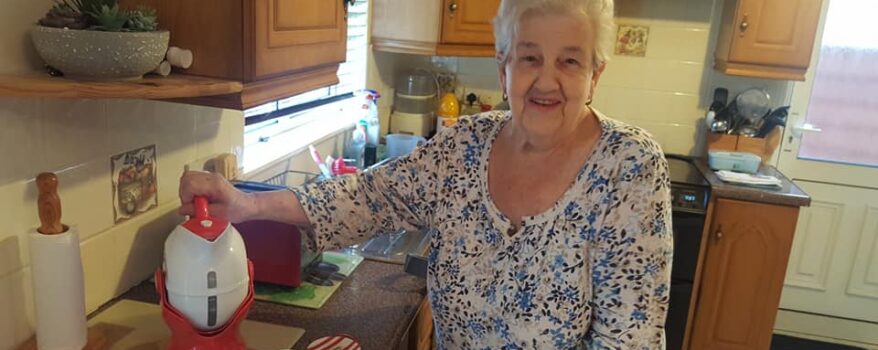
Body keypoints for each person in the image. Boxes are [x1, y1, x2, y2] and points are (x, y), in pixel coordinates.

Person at [179, 0, 672, 348]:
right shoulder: (463, 147)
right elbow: (369, 196)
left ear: (595, 74)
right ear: (503, 69)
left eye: (569, 60)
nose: (546, 80)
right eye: (529, 57)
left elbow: (630, 337)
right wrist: (247, 205)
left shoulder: (629, 167)